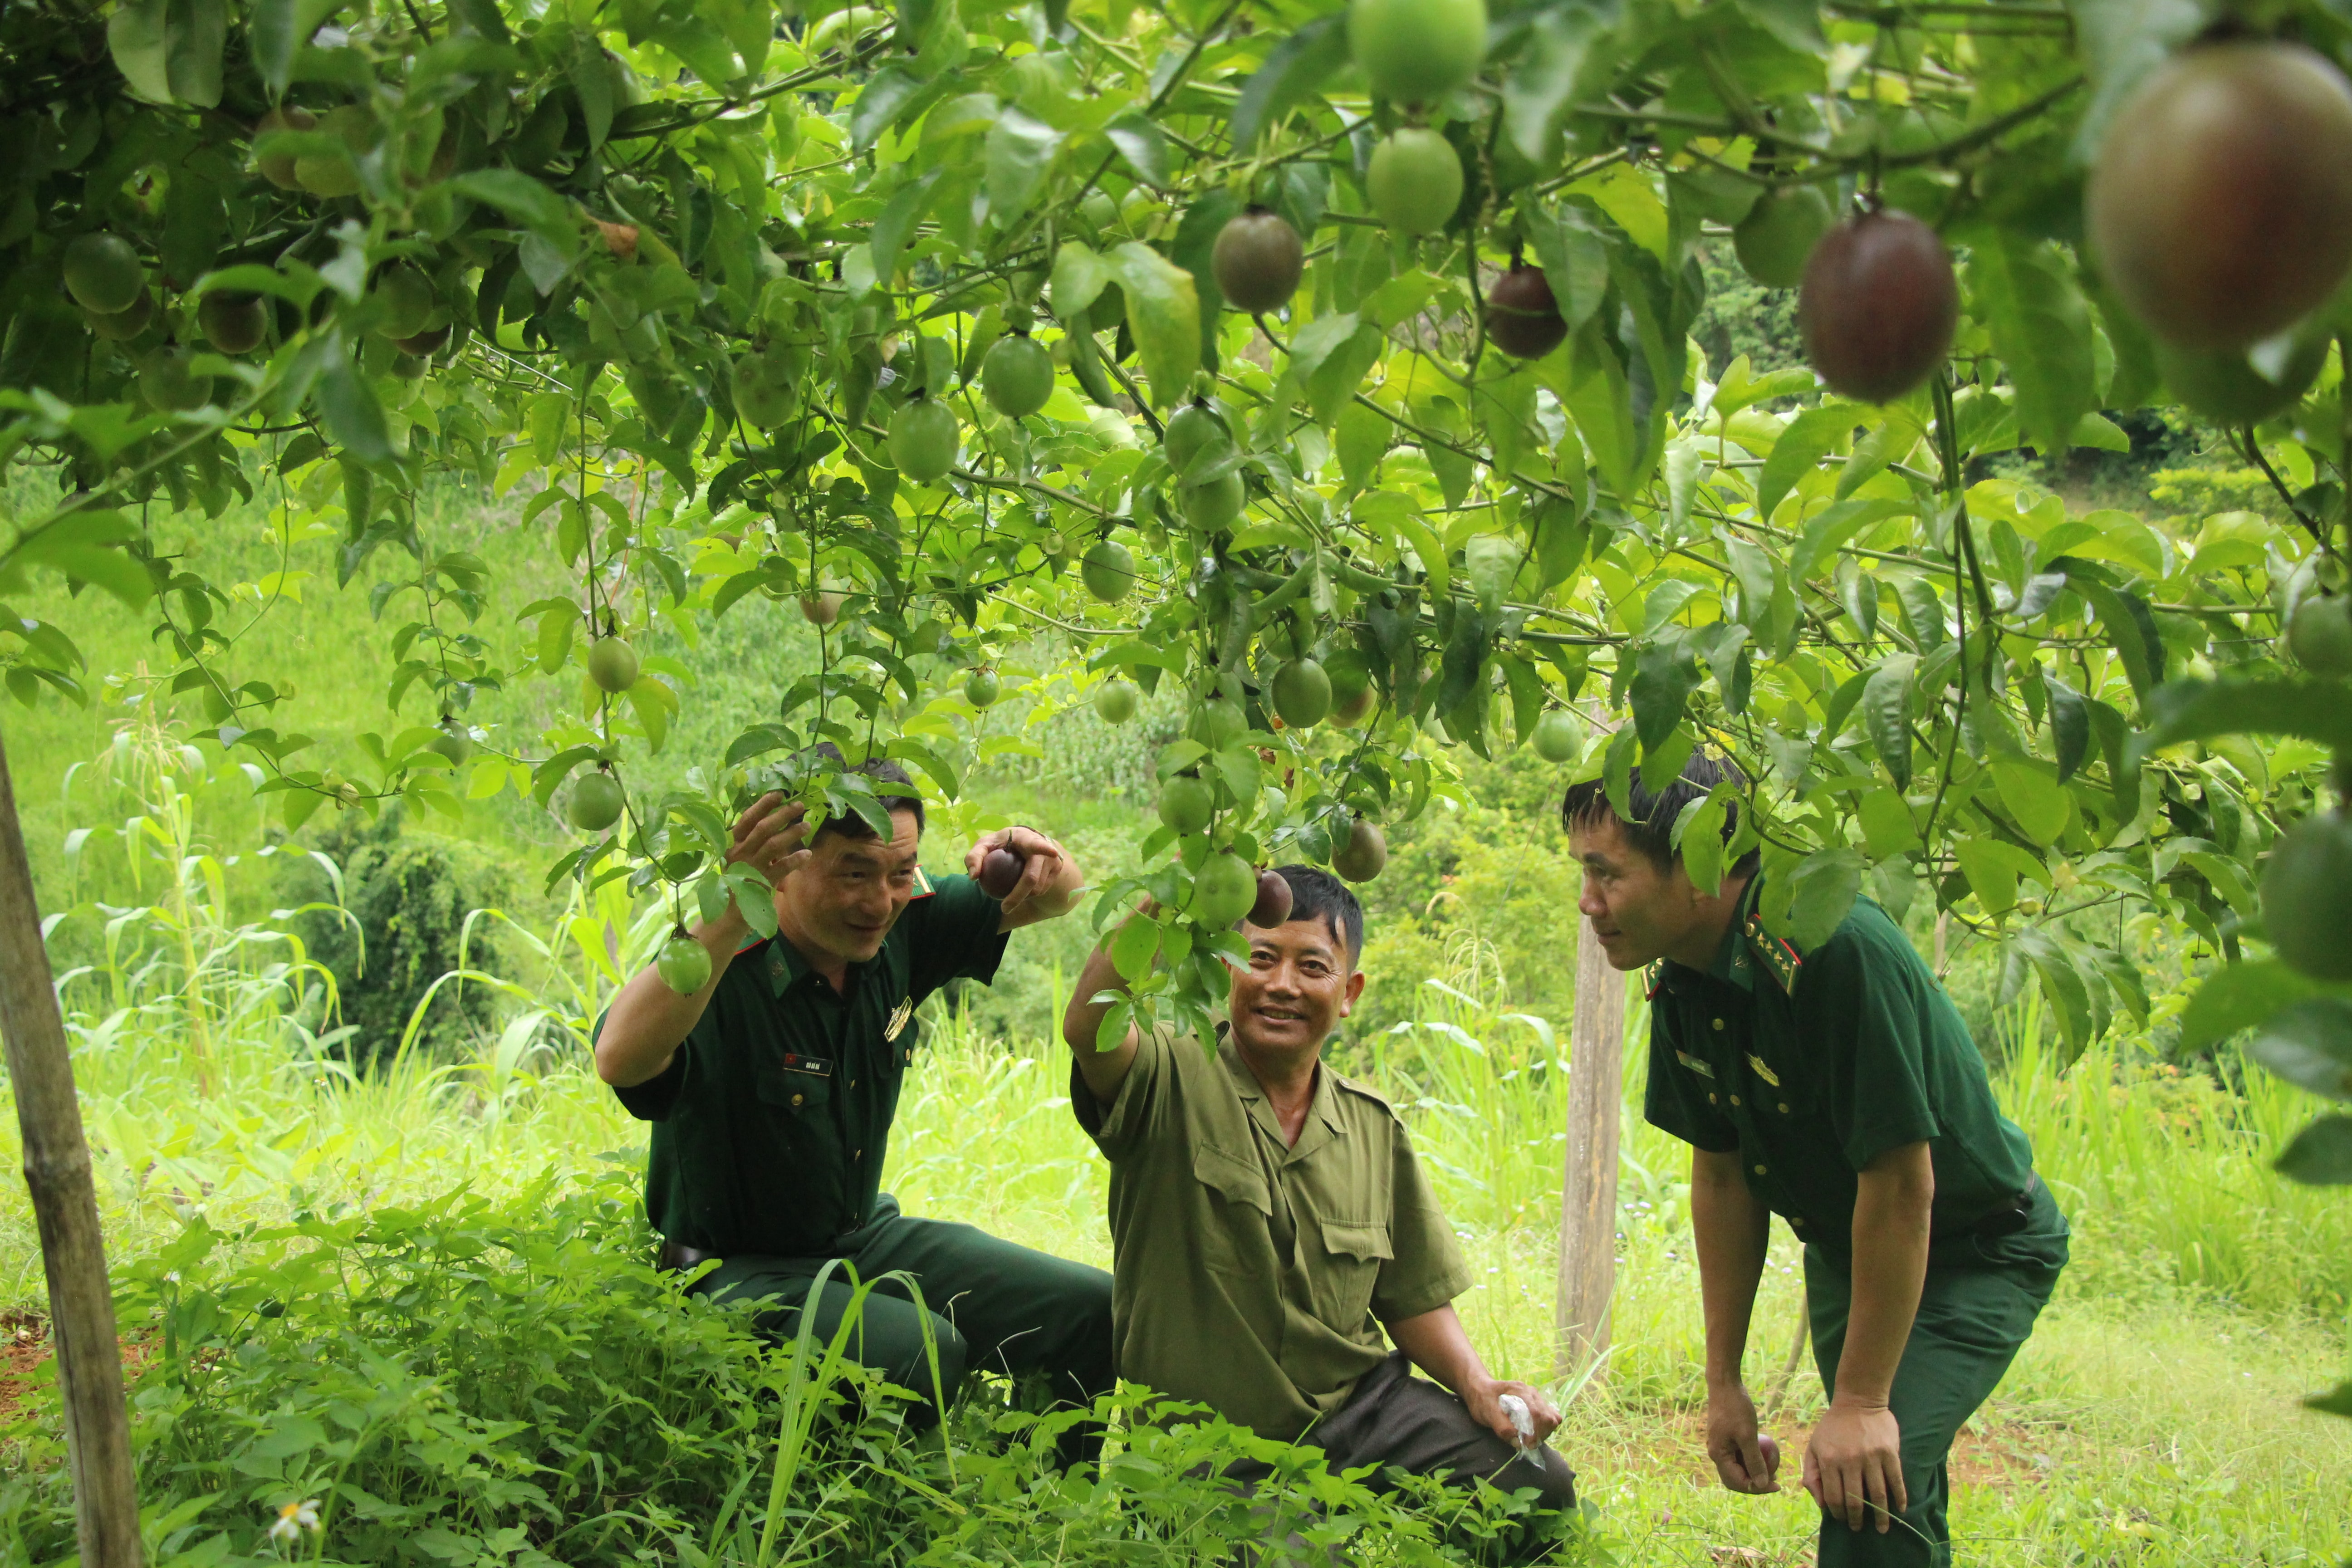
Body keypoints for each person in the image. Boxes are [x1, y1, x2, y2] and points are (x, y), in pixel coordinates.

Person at [1563, 749, 2068, 1567]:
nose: (1588, 903)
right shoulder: (1686, 975)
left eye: (1606, 874)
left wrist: (1863, 1399)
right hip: (1856, 1253)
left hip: (1974, 1248)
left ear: (1699, 861)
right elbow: (1723, 1174)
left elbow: (1905, 1186)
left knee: (1865, 1486)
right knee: (1895, 1493)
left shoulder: (1831, 950)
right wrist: (1722, 1382)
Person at [594, 750, 1114, 1446]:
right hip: (734, 1273)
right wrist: (727, 903)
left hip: (863, 1240)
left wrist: (1032, 851)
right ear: (784, 866)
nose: (879, 901)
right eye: (854, 874)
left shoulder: (903, 926)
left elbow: (1058, 897)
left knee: (1093, 1311)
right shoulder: (722, 962)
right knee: (916, 1345)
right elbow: (619, 1058)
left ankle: (1044, 1520)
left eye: (900, 873)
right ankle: (894, 1527)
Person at [1061, 863, 1577, 1539]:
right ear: (1226, 967)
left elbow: (1412, 1295)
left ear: (1349, 991)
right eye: (1261, 958)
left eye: (1312, 966)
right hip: (1213, 1450)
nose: (1281, 984)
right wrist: (1187, 885)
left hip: (1362, 1415)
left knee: (1538, 1489)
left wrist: (1476, 1384)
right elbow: (1087, 1023)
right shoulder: (1168, 1077)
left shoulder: (1371, 1127)